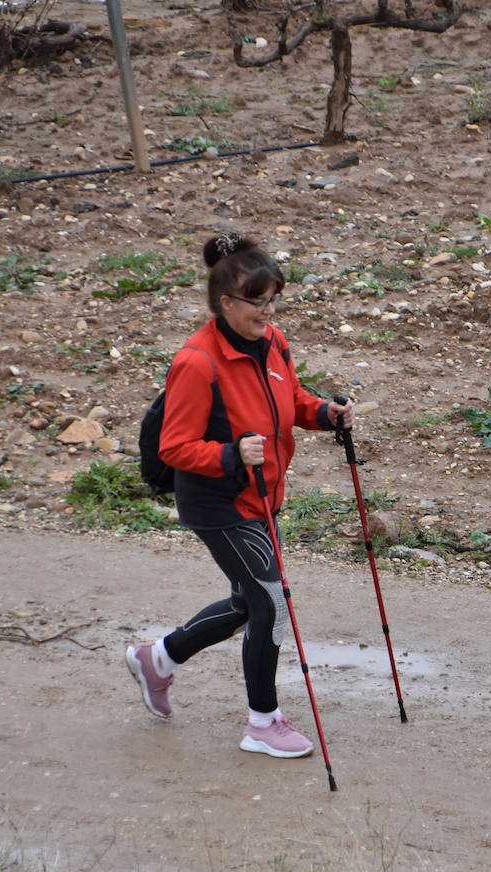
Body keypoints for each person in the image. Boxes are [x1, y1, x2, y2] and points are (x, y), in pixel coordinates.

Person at [125, 231, 353, 758]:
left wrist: (323, 413)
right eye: (258, 301)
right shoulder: (196, 362)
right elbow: (174, 446)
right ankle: (262, 723)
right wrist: (230, 454)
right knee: (270, 602)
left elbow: (288, 400)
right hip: (218, 502)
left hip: (261, 496)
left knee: (247, 603)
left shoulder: (273, 342)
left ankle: (158, 658)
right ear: (227, 303)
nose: (268, 311)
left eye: (273, 298)